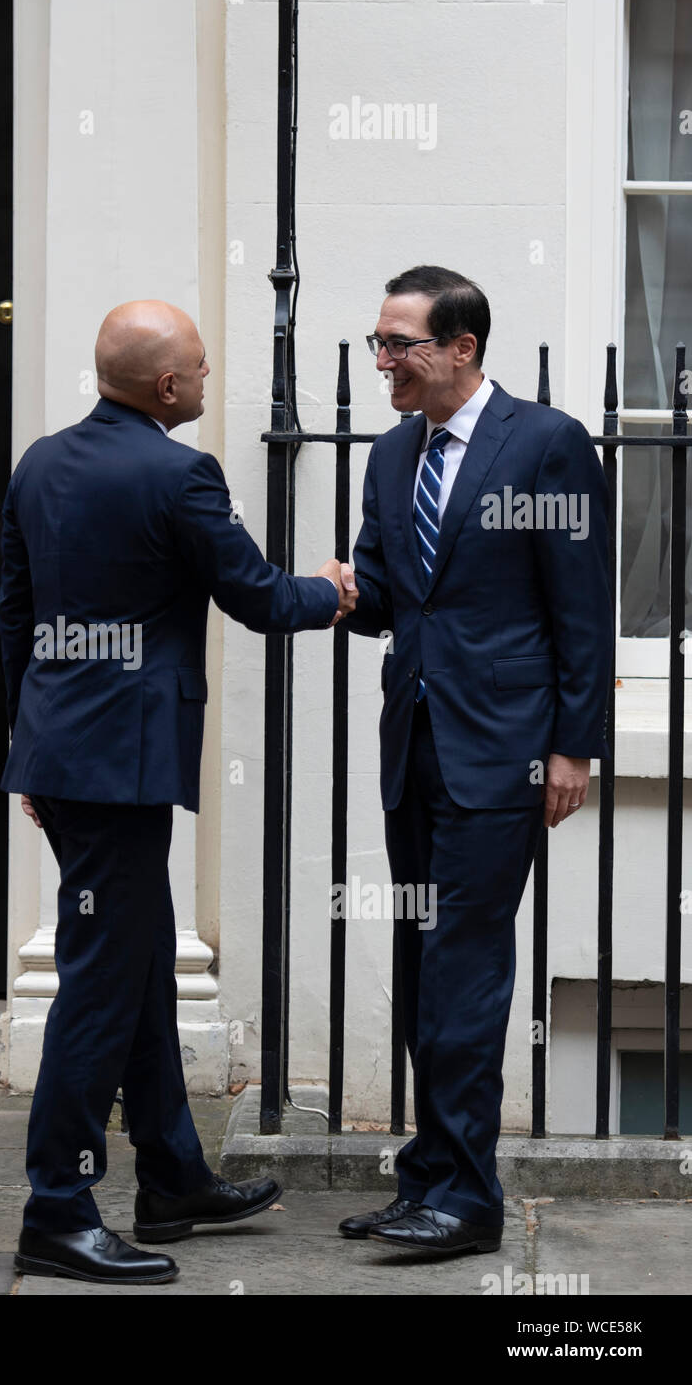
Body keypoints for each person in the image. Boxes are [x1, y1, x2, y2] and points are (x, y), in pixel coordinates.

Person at [0, 299, 358, 1284]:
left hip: (66, 760)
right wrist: (334, 587)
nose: (206, 378)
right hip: (118, 768)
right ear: (165, 387)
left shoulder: (38, 463)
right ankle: (56, 1208)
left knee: (140, 961)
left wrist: (30, 743)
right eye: (198, 366)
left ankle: (171, 1178)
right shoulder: (180, 473)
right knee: (100, 990)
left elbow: (13, 614)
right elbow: (256, 595)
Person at [339, 266, 612, 1256]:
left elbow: (579, 606)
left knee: (465, 968)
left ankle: (469, 1199)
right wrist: (334, 588)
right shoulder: (388, 455)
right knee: (425, 961)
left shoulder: (542, 445)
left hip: (501, 754)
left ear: (461, 348)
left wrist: (570, 744)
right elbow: (384, 595)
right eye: (377, 342)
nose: (382, 362)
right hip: (412, 745)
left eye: (398, 344)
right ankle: (429, 1179)